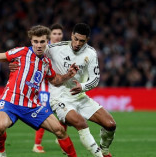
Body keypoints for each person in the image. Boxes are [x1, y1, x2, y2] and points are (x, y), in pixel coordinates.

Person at [0, 25, 79, 157]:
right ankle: (2, 153)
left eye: (42, 41)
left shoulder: (46, 62)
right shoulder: (21, 52)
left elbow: (54, 80)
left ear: (47, 42)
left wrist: (68, 75)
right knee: (0, 127)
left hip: (32, 105)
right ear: (31, 41)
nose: (39, 45)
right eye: (36, 41)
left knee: (59, 130)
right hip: (10, 101)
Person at [45, 23, 116, 157]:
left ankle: (105, 151)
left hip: (80, 97)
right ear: (71, 35)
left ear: (87, 40)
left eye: (82, 41)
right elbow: (32, 53)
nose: (77, 43)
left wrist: (82, 87)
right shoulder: (55, 48)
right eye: (75, 39)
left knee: (110, 125)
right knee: (81, 123)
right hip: (59, 98)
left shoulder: (91, 53)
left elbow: (95, 79)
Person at [32, 23, 64, 153]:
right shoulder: (44, 48)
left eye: (59, 34)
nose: (57, 36)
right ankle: (37, 145)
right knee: (44, 115)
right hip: (45, 87)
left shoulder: (64, 49)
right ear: (49, 35)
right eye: (54, 33)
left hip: (59, 87)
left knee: (65, 113)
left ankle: (60, 138)